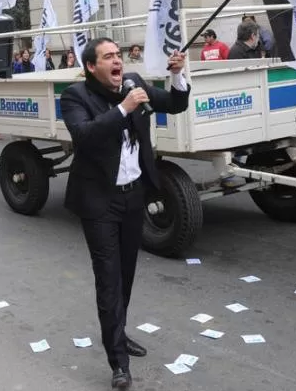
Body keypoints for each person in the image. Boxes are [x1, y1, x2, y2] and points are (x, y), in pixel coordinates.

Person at [60, 39, 190, 389]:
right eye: (108, 57)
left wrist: (177, 76)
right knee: (108, 278)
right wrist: (123, 109)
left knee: (126, 274)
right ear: (92, 67)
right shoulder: (75, 97)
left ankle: (119, 332)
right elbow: (84, 136)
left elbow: (175, 104)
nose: (117, 61)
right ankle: (118, 362)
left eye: (118, 55)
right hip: (99, 202)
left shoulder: (134, 83)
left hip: (134, 197)